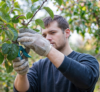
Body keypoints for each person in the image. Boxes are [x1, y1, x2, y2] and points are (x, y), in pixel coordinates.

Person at [13, 15, 99, 92]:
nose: (47, 38)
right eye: (44, 35)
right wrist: (21, 74)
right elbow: (22, 90)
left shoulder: (87, 60)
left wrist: (48, 50)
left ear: (67, 33)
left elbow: (87, 80)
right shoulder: (39, 66)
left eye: (52, 33)